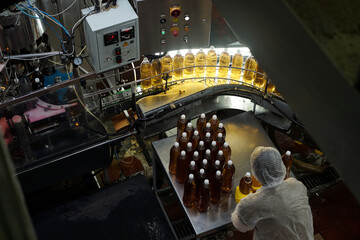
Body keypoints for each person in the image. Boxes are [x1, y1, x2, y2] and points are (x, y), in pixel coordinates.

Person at [231, 146, 314, 239]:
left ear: (256, 173)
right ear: (280, 166)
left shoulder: (252, 204)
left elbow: (240, 225)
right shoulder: (297, 185)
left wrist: (244, 202)